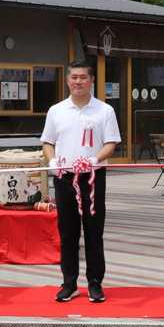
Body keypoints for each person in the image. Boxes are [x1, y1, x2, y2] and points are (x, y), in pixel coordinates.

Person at [41, 60, 120, 303]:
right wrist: (52, 161)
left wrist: (94, 160)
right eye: (74, 77)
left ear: (92, 80)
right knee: (67, 231)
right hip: (64, 176)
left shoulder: (104, 110)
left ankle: (95, 283)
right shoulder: (56, 110)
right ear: (67, 80)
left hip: (93, 178)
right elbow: (48, 142)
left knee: (94, 231)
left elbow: (111, 143)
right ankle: (69, 283)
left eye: (83, 77)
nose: (78, 82)